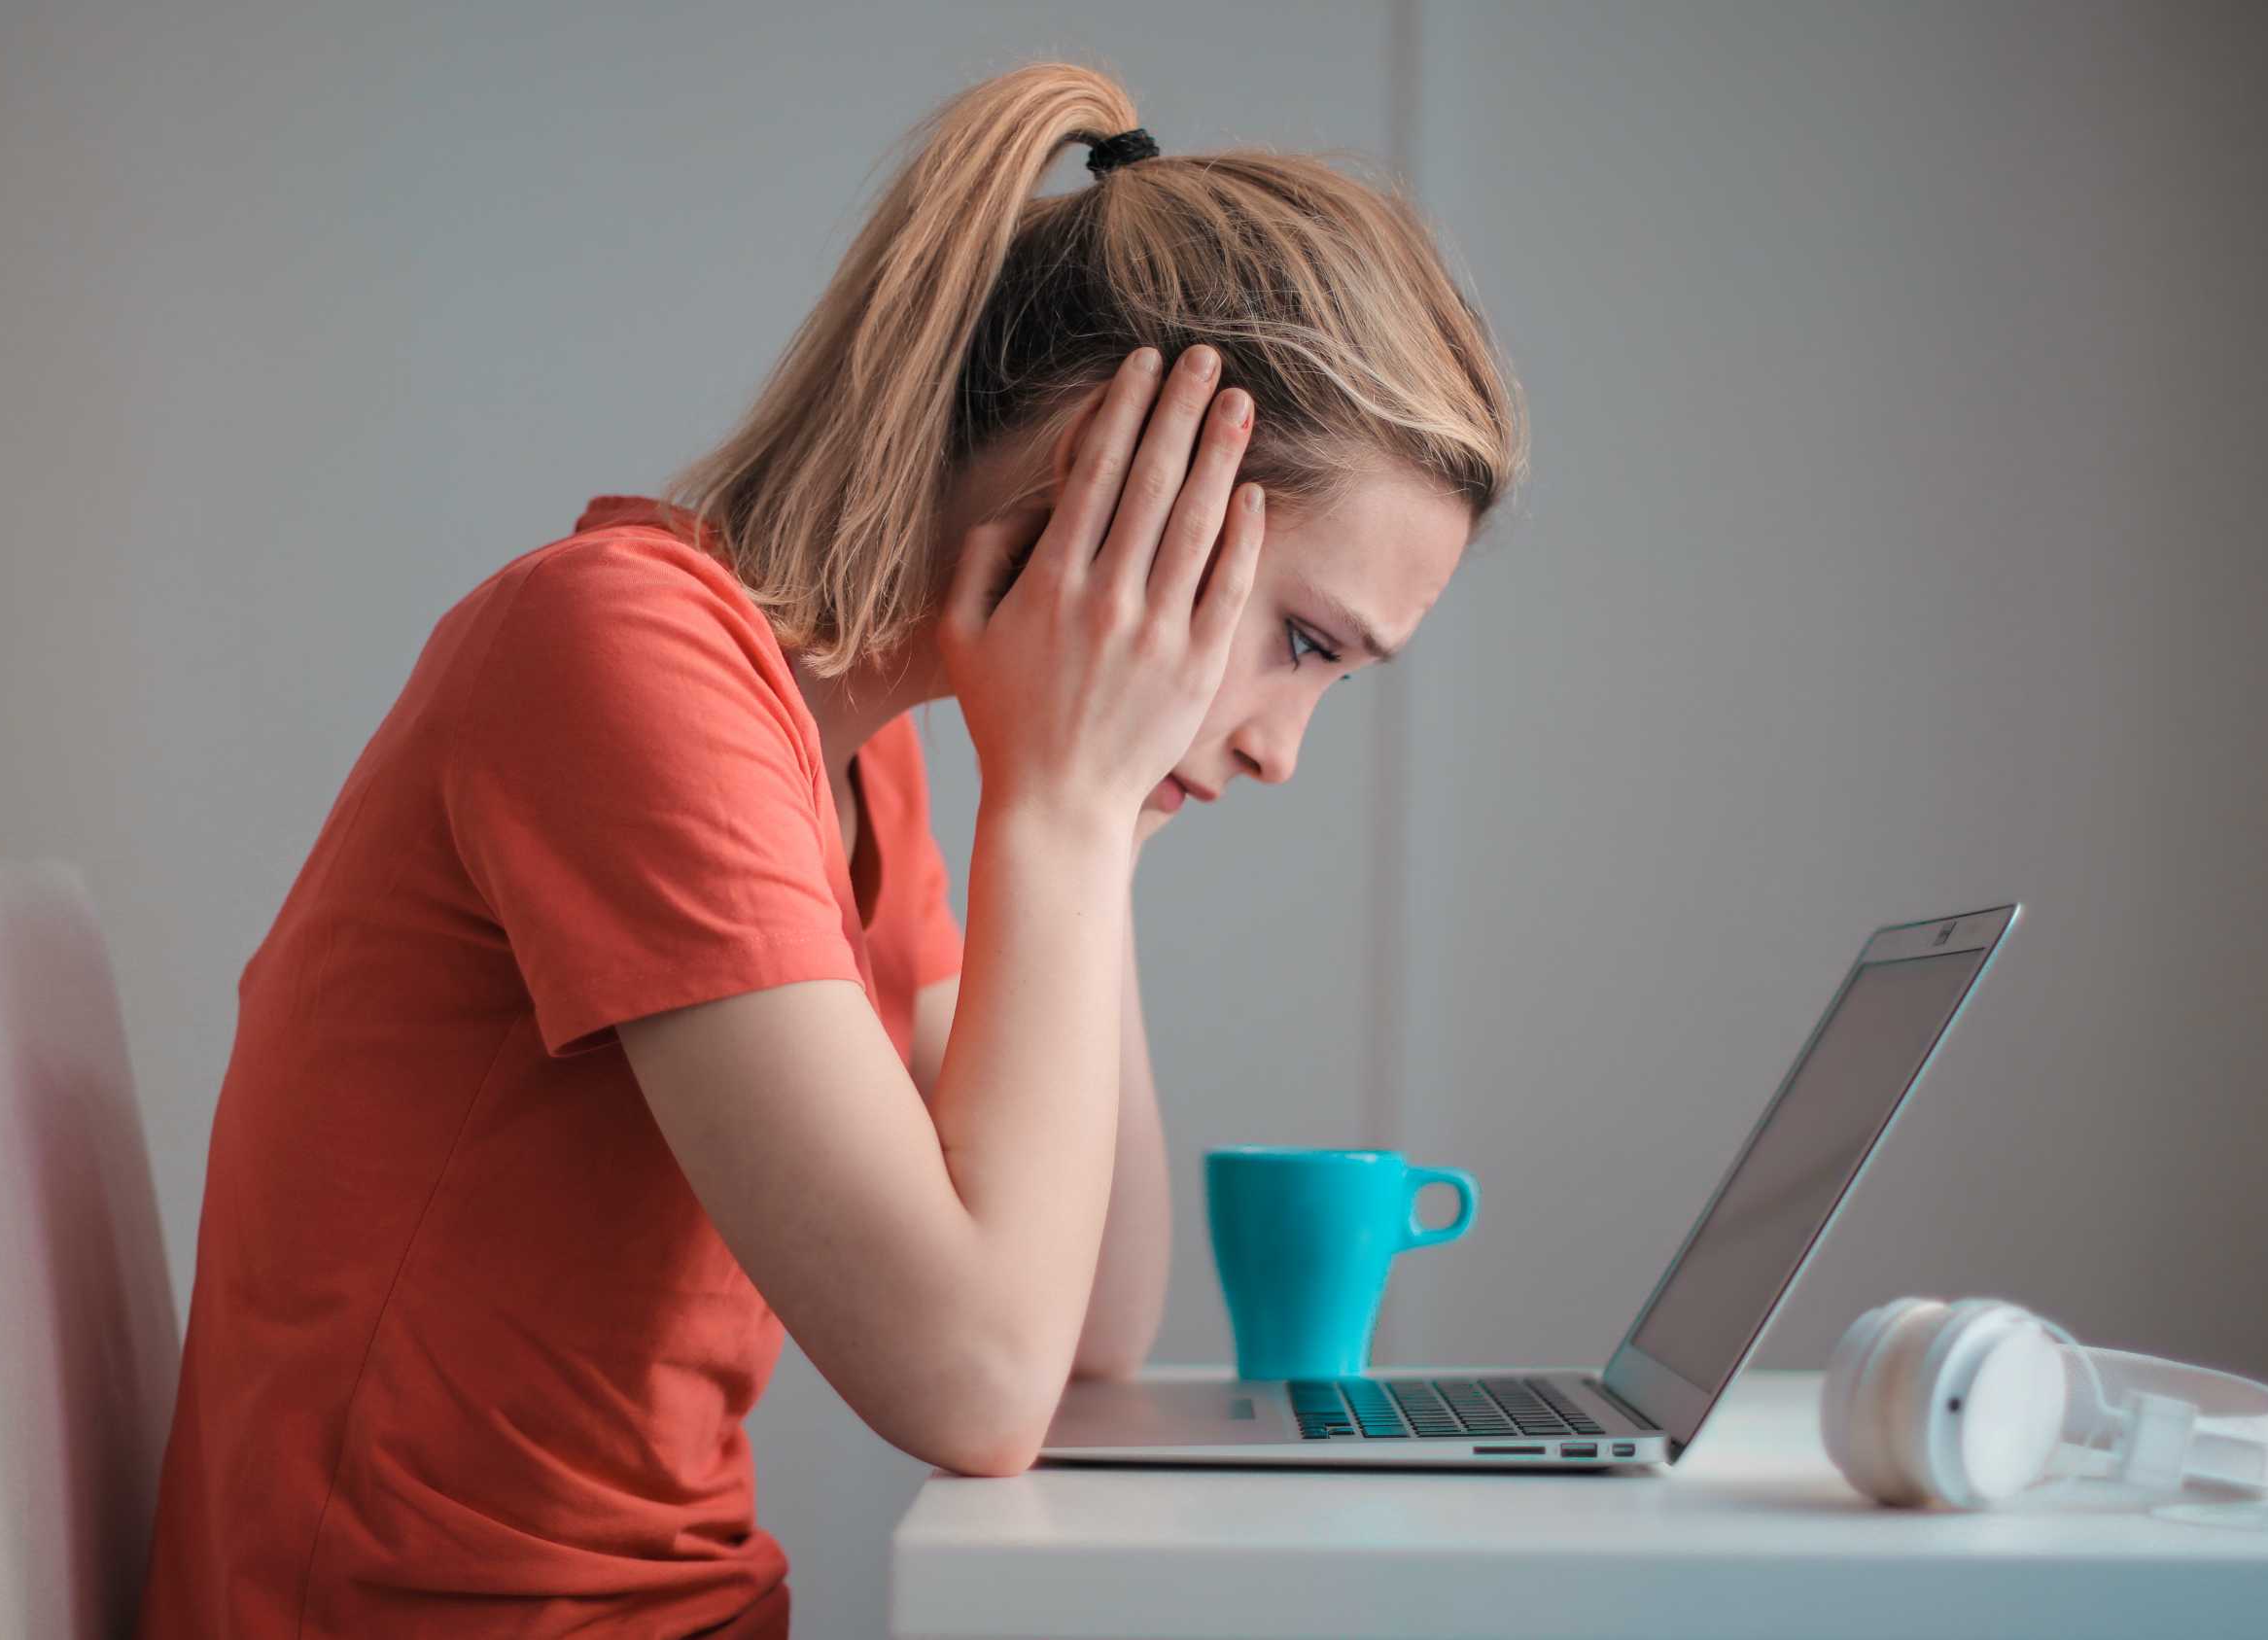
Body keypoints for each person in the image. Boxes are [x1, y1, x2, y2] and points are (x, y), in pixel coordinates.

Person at [137, 57, 1524, 1640]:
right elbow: (978, 1381)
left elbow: (1086, 1330)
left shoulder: (866, 771)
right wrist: (1064, 811)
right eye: (1299, 641)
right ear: (1112, 484)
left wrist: (1098, 816)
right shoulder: (620, 660)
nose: (1285, 746)